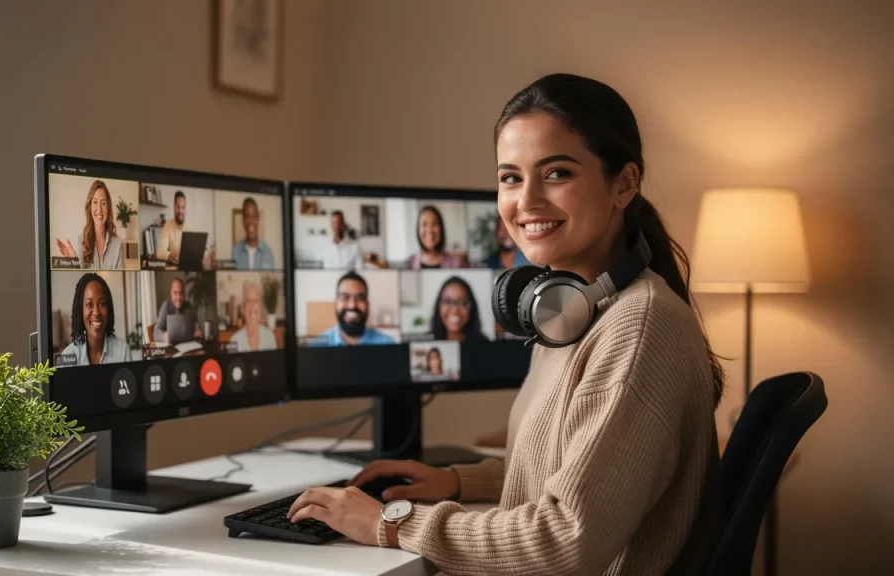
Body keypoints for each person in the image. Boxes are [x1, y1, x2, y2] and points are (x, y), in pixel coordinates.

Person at [287, 73, 725, 576]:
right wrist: (457, 482)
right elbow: (572, 474)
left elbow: (565, 539)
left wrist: (392, 522)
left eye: (557, 173)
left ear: (623, 184)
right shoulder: (568, 309)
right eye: (511, 177)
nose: (527, 201)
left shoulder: (638, 327)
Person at [62, 273, 132, 365]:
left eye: (102, 304)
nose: (96, 312)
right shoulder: (68, 354)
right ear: (81, 310)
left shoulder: (123, 352)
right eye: (89, 304)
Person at [310, 271, 395, 346]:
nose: (352, 305)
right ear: (336, 304)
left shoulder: (388, 344)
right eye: (345, 297)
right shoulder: (318, 345)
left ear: (368, 305)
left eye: (359, 298)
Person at [55, 180, 124, 269]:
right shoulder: (81, 239)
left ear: (108, 208)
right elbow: (81, 274)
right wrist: (74, 262)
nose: (99, 209)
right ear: (90, 206)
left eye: (103, 203)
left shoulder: (117, 243)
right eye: (95, 202)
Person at [429, 276, 489, 343]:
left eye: (462, 302)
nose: (455, 310)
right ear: (438, 306)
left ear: (471, 308)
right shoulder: (425, 343)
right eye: (447, 301)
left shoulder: (484, 345)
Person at [230, 280, 278, 352]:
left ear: (261, 307)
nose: (252, 305)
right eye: (248, 301)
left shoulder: (270, 337)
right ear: (243, 308)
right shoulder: (234, 340)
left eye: (256, 301)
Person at [154, 277, 203, 345]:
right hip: (170, 349)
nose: (179, 297)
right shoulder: (166, 306)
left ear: (184, 293)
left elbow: (198, 327)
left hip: (187, 347)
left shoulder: (189, 306)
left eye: (181, 293)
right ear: (171, 293)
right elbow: (156, 333)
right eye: (175, 293)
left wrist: (198, 332)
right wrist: (164, 336)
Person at [232, 197, 276, 270]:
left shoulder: (268, 253)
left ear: (258, 219)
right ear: (243, 220)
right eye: (247, 216)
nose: (250, 221)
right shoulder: (235, 252)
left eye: (254, 216)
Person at [156, 191, 189, 264]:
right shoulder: (168, 225)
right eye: (178, 207)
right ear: (174, 207)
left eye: (183, 207)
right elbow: (159, 252)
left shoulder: (190, 226)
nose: (181, 211)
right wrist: (170, 255)